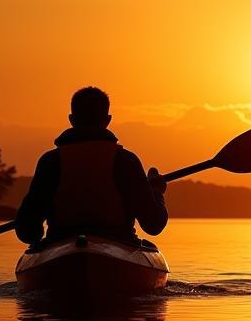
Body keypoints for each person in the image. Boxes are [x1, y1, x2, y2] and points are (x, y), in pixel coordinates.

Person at [15, 86, 168, 245]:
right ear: (107, 121)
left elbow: (27, 232)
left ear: (72, 119)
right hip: (120, 242)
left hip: (59, 243)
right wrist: (156, 192)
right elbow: (153, 225)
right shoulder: (126, 161)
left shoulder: (50, 161)